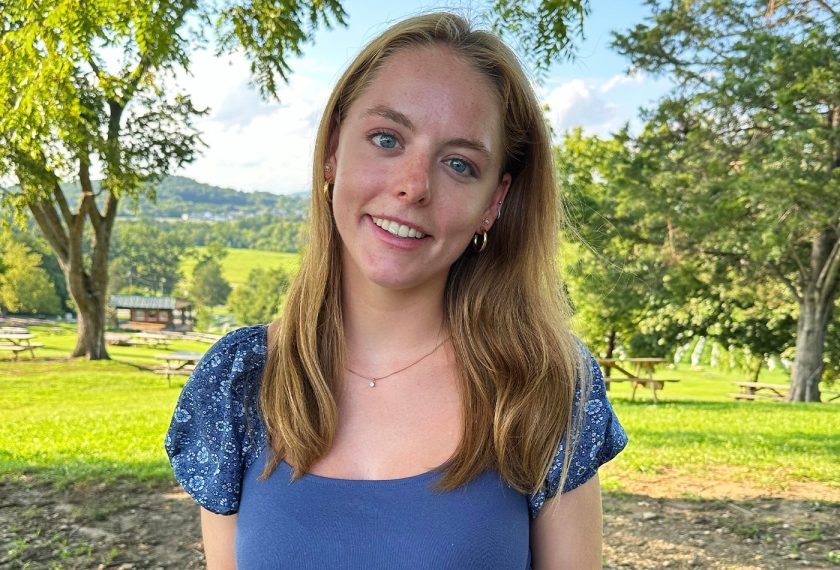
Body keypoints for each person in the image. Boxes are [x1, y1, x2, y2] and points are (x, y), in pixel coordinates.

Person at [166, 11, 626, 569]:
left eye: (458, 164)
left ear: (494, 202)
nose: (413, 185)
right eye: (387, 139)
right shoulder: (238, 383)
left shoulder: (545, 386)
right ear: (334, 147)